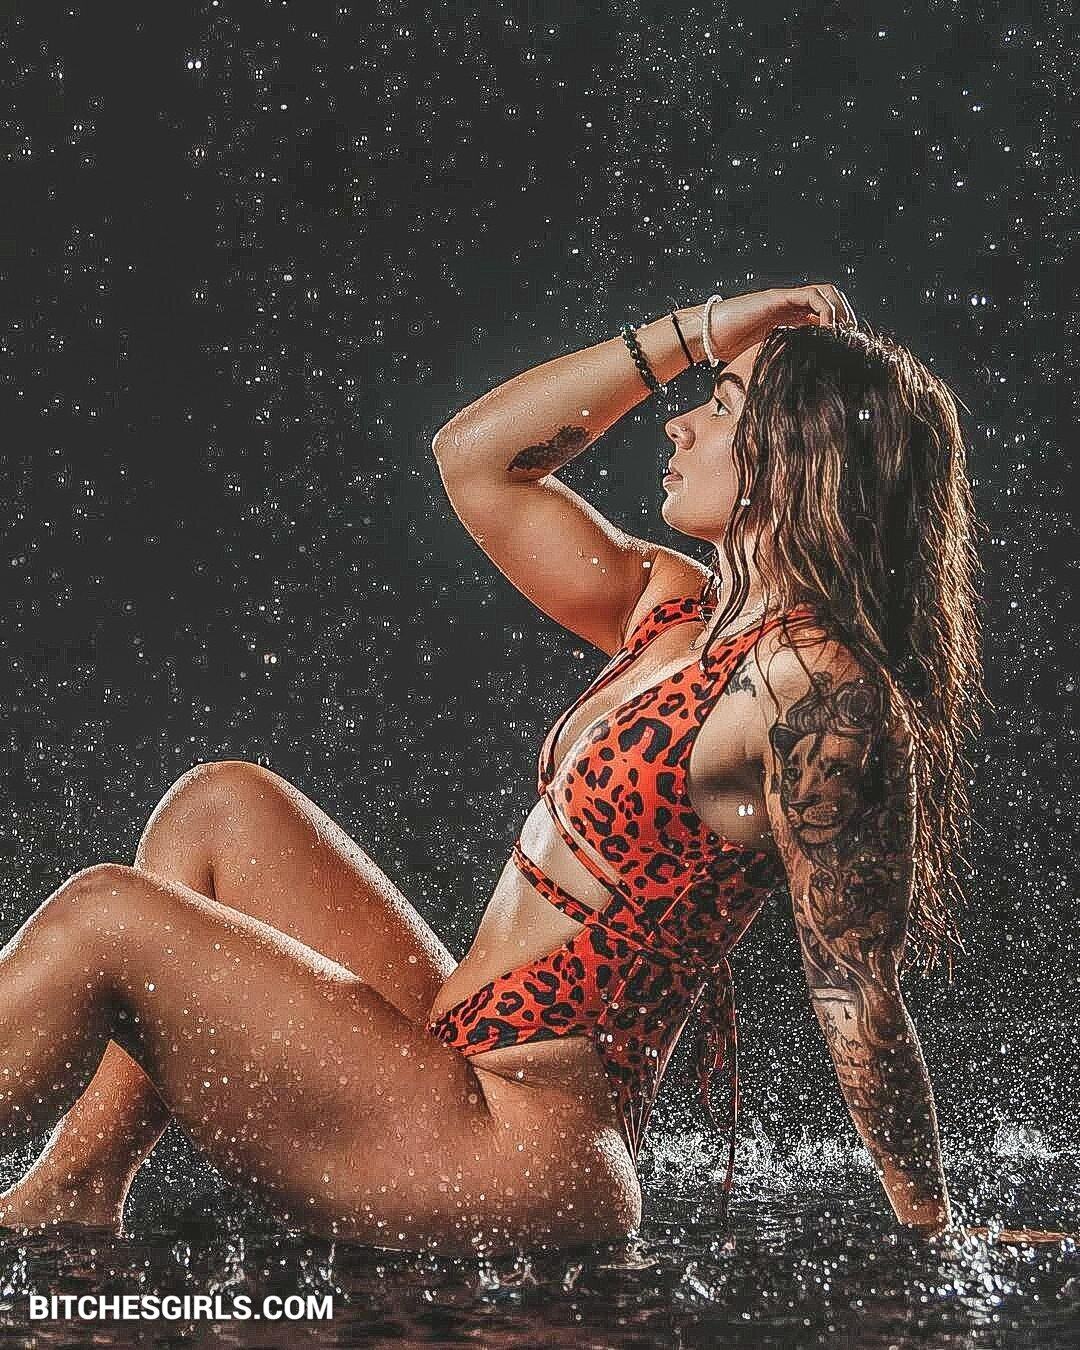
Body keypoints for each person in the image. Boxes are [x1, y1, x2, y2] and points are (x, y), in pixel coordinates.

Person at [0, 285, 981, 1253]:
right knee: (222, 808)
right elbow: (477, 461)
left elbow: (856, 985)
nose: (678, 425)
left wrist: (930, 1227)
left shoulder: (814, 684)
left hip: (526, 1150)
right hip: (464, 1065)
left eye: (720, 408)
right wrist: (703, 329)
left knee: (107, 913)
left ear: (800, 455)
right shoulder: (676, 612)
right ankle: (75, 1186)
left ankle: (65, 1193)